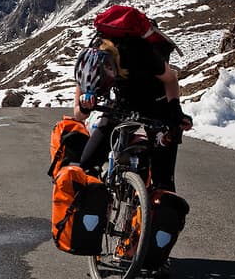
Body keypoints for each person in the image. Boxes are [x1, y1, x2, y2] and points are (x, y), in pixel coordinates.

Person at [73, 34, 193, 192]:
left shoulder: (142, 52)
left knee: (164, 185)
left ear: (110, 69)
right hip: (123, 104)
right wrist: (84, 107)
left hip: (157, 104)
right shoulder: (89, 65)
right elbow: (78, 115)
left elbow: (170, 79)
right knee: (86, 165)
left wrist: (176, 111)